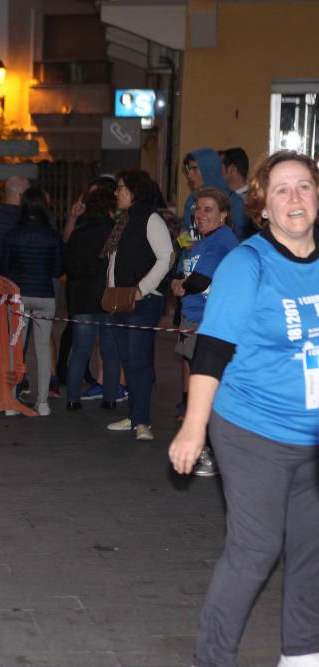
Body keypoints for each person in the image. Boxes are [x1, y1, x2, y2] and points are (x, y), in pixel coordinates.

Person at [168, 150, 319, 667]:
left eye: (303, 186)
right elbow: (211, 348)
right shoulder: (248, 263)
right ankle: (212, 659)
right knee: (256, 550)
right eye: (281, 190)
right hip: (252, 429)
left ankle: (302, 655)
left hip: (312, 434)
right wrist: (193, 428)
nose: (294, 198)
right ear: (263, 206)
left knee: (312, 548)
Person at [169, 187, 238, 474]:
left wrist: (181, 287)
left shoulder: (221, 240)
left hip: (209, 324)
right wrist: (179, 284)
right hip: (195, 320)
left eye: (209, 209)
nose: (201, 214)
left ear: (223, 214)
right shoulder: (202, 242)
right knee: (204, 386)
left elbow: (198, 281)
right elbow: (184, 275)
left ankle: (211, 452)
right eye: (198, 208)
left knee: (210, 390)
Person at [103, 170, 173, 441]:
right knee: (129, 361)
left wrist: (141, 289)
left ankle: (142, 421)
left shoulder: (150, 218)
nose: (116, 193)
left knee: (139, 361)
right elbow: (114, 262)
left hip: (142, 301)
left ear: (133, 190)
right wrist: (110, 293)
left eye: (120, 188)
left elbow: (166, 257)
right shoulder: (125, 220)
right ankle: (134, 416)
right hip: (119, 300)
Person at [0, 187, 65, 416]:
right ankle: (43, 402)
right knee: (43, 348)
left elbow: (4, 267)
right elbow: (58, 269)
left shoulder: (12, 234)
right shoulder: (52, 235)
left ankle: (11, 400)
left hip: (19, 296)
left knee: (15, 347)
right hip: (45, 295)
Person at [64, 182, 120, 410]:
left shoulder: (79, 233)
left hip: (82, 298)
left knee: (80, 350)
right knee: (109, 351)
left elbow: (68, 264)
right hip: (108, 297)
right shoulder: (115, 231)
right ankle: (110, 399)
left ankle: (73, 399)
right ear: (110, 207)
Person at [182, 148, 250, 241]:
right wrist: (186, 244)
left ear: (209, 169)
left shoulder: (234, 203)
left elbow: (241, 241)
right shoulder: (192, 199)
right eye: (189, 169)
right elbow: (183, 232)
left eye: (195, 169)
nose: (190, 175)